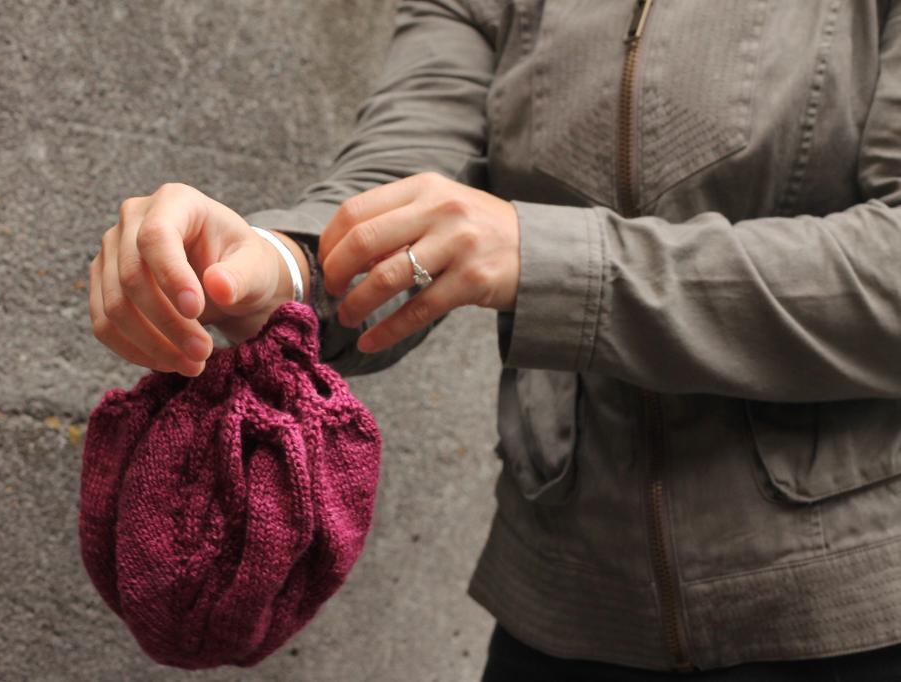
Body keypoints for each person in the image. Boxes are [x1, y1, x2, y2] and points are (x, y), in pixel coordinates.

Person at [88, 0, 901, 678]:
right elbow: (405, 170)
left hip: (857, 623)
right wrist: (272, 264)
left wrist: (544, 257)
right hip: (558, 622)